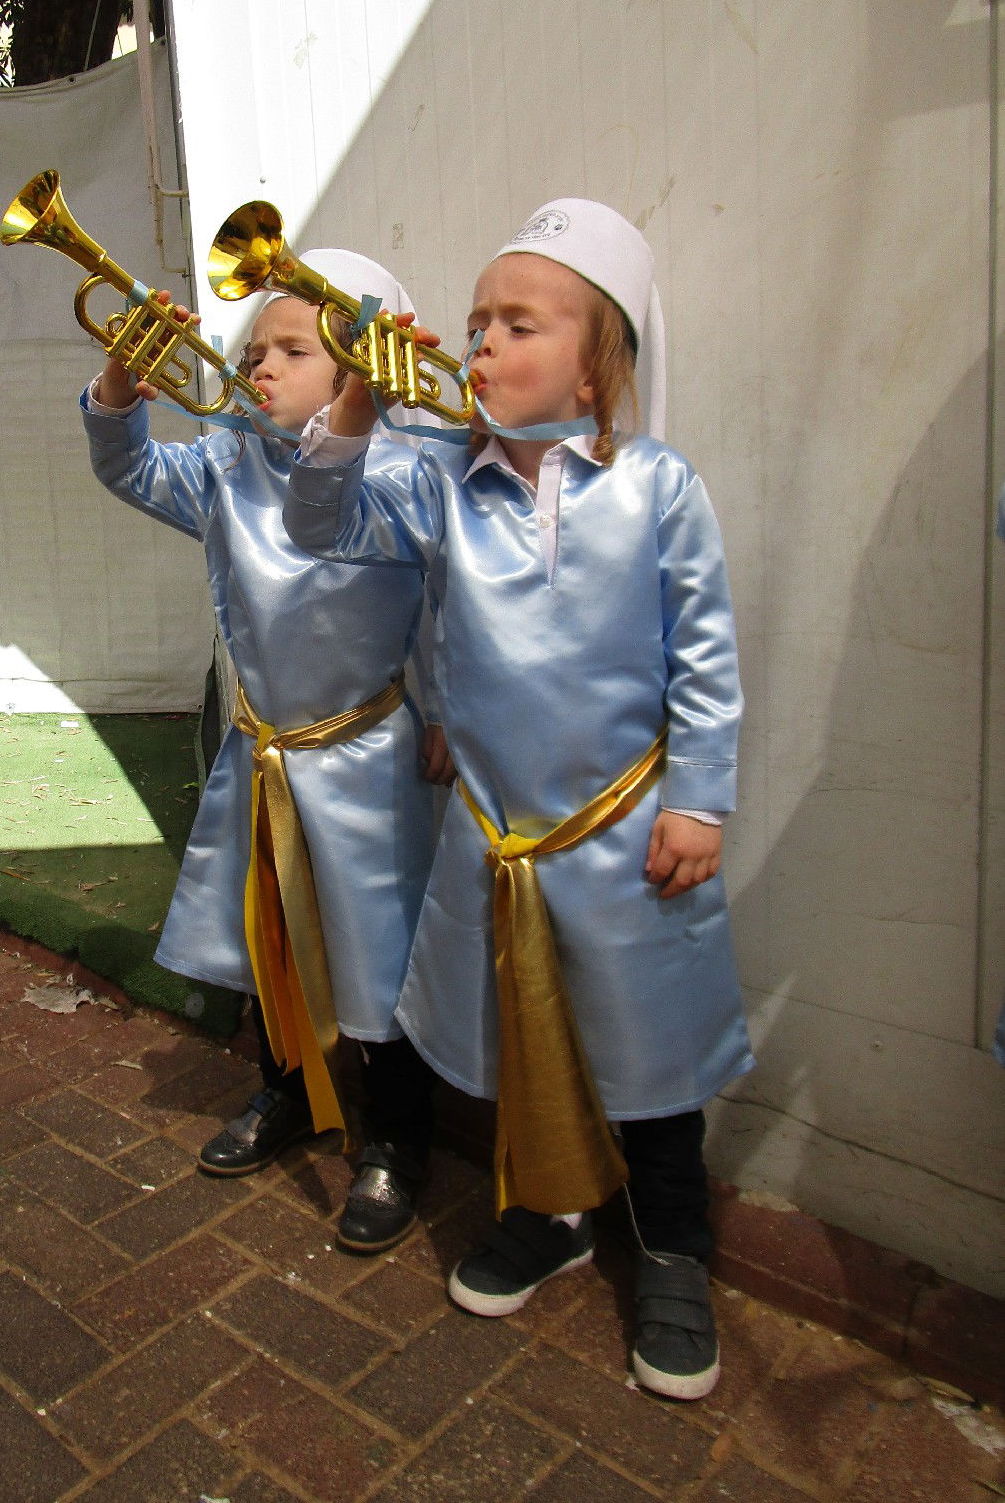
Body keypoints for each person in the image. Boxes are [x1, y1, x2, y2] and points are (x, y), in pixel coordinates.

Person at [283, 199, 753, 1398]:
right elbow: (316, 520)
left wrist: (698, 801)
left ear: (599, 368)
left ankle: (674, 1248)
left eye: (519, 324)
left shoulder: (658, 489)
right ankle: (550, 1213)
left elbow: (703, 656)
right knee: (518, 1039)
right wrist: (357, 405)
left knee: (647, 1061)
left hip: (623, 832)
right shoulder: (441, 482)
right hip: (493, 838)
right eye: (478, 319)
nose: (482, 343)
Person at [81, 250, 445, 1253]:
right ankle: (286, 1088)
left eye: (294, 349)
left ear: (357, 374)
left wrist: (445, 712)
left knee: (382, 951)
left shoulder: (406, 471)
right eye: (255, 349)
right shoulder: (225, 464)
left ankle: (397, 1140)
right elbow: (126, 465)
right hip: (264, 751)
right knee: (272, 933)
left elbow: (445, 611)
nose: (261, 367)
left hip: (367, 758)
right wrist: (120, 386)